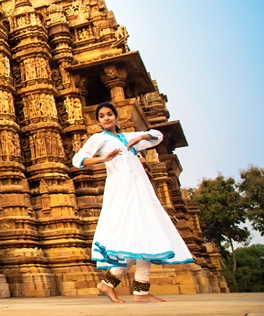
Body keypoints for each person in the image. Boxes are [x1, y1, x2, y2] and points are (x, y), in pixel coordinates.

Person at [73, 102, 192, 303]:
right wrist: (103, 160)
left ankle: (114, 285)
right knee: (140, 234)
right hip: (122, 190)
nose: (106, 118)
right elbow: (78, 160)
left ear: (116, 117)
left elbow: (158, 136)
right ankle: (138, 291)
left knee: (143, 236)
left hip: (141, 190)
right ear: (98, 121)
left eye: (110, 114)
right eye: (102, 116)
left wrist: (142, 136)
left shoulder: (129, 138)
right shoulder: (99, 139)